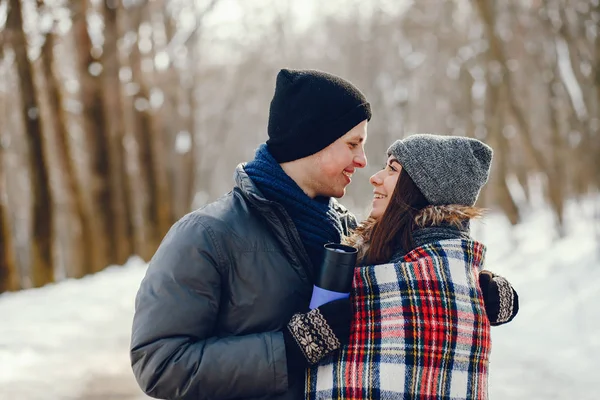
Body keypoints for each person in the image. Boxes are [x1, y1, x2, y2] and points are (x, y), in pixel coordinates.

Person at [130, 70, 517, 400]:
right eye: (353, 144)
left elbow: (412, 276)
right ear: (311, 142)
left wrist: (474, 286)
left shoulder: (347, 230)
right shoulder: (208, 235)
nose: (363, 162)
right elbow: (159, 362)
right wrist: (290, 349)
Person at [306, 134, 517, 400]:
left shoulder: (446, 273)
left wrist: (497, 294)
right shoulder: (369, 248)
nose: (375, 177)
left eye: (392, 169)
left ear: (422, 188)